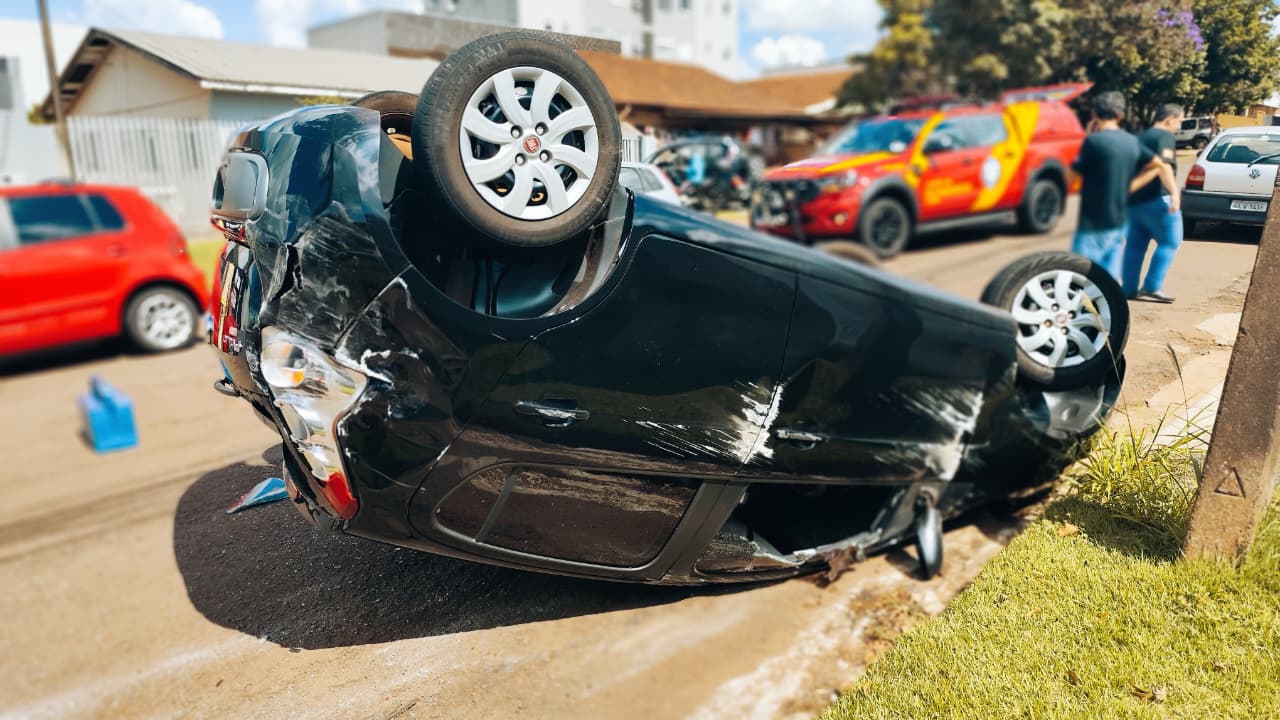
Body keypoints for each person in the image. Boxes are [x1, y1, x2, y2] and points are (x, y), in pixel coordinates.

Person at [1068, 92, 1179, 281]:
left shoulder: (1094, 142)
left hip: (1092, 223)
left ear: (1094, 115)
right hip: (1118, 222)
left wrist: (1086, 138)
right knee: (1107, 283)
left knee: (1080, 278)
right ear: (1120, 116)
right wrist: (1134, 184)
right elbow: (1159, 164)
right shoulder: (1131, 142)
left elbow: (1070, 178)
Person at [1122, 103, 1185, 303]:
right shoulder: (1165, 137)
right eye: (1179, 121)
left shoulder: (1143, 136)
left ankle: (1128, 288)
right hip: (1158, 198)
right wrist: (1175, 193)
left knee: (1135, 245)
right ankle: (1152, 286)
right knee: (1170, 241)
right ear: (1169, 119)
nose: (1179, 126)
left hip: (1135, 201)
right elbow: (1163, 166)